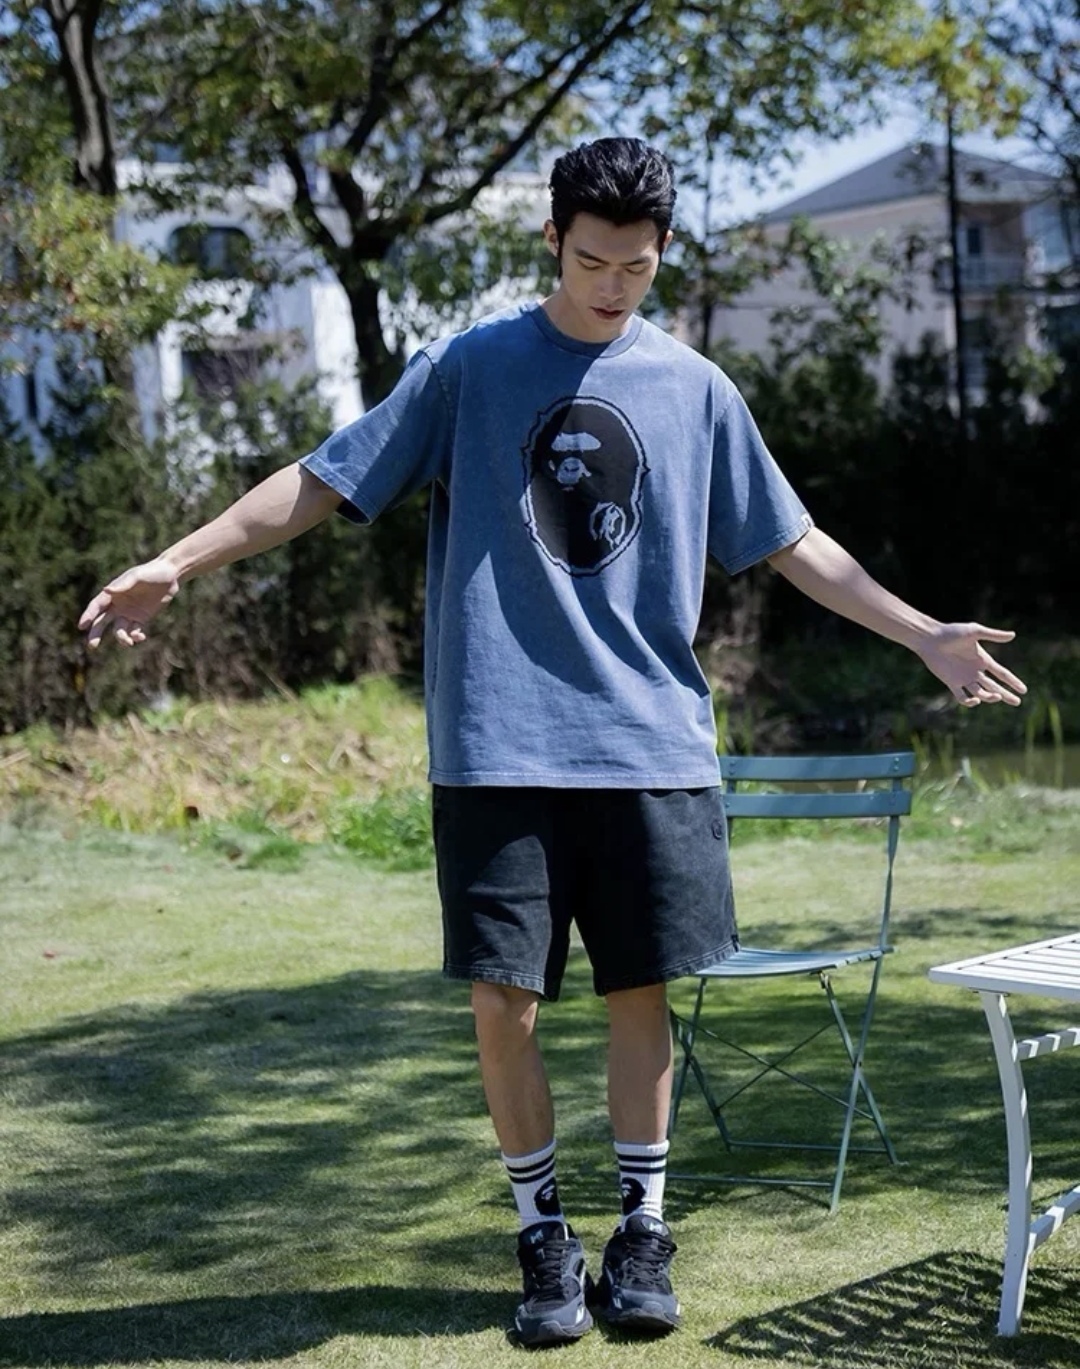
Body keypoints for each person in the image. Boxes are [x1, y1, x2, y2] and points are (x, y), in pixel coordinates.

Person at [79, 137, 1026, 1347]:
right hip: (498, 743)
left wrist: (920, 631)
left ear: (662, 250)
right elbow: (322, 479)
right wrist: (178, 560)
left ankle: (642, 1232)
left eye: (635, 266)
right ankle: (541, 1236)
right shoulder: (472, 369)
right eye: (590, 262)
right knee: (503, 1001)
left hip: (651, 748)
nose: (612, 287)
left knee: (642, 994)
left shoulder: (696, 388)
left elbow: (793, 542)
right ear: (552, 240)